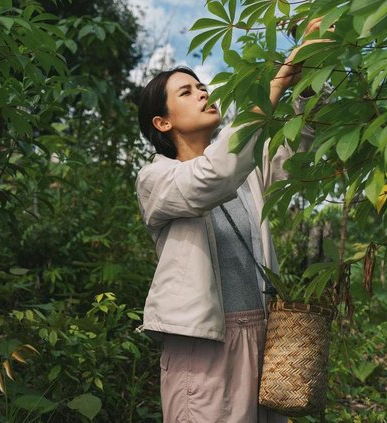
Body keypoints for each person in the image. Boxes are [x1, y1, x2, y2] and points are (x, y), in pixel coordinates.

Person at [136, 17, 331, 423]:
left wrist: (311, 70)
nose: (203, 92)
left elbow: (300, 146)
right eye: (186, 92)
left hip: (265, 337)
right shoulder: (156, 179)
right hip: (205, 346)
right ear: (162, 122)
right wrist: (273, 86)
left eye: (201, 86)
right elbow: (213, 176)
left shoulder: (247, 171)